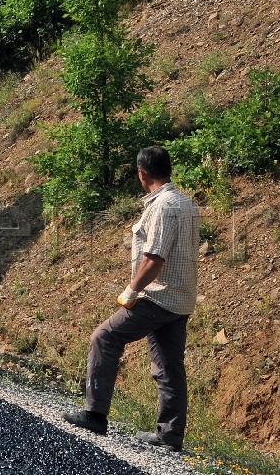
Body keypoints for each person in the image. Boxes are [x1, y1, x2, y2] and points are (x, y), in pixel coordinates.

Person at [64, 146, 201, 452]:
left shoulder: (164, 206)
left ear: (142, 173)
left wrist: (132, 290)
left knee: (105, 337)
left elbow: (154, 259)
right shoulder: (185, 202)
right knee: (168, 366)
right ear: (168, 169)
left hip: (159, 296)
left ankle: (95, 414)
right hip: (182, 297)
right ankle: (170, 436)